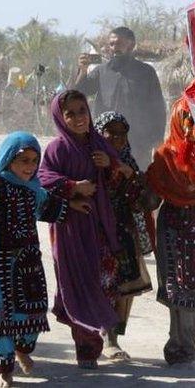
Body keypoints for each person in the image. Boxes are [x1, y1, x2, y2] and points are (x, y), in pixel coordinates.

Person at [0, 131, 89, 386]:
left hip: (29, 263)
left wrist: (73, 206)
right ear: (8, 160)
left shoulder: (34, 188)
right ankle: (4, 368)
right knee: (1, 318)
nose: (30, 166)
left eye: (34, 161)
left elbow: (46, 207)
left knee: (32, 315)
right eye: (23, 160)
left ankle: (22, 349)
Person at [38, 90, 134, 369]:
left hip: (102, 226)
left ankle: (101, 340)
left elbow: (124, 179)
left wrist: (110, 165)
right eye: (70, 113)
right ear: (60, 117)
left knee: (103, 284)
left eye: (82, 111)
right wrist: (73, 189)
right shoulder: (58, 148)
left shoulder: (99, 143)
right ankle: (86, 350)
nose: (79, 118)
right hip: (71, 229)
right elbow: (43, 180)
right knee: (77, 282)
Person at [146, 97, 195, 364]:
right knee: (178, 290)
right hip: (174, 233)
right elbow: (150, 199)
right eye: (187, 121)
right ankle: (179, 345)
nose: (192, 129)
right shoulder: (163, 157)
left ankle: (185, 343)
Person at [94, 111, 154, 357]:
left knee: (125, 287)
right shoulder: (92, 159)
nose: (117, 138)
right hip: (98, 232)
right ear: (99, 134)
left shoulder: (128, 161)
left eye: (122, 133)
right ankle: (102, 337)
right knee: (103, 284)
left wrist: (130, 176)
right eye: (111, 132)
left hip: (124, 232)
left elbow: (142, 199)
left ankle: (113, 338)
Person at [72, 26, 166, 169]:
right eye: (112, 44)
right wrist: (82, 71)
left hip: (137, 141)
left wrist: (158, 139)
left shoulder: (146, 72)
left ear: (131, 45)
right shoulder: (101, 71)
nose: (114, 48)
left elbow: (158, 107)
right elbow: (78, 94)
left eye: (119, 44)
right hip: (105, 140)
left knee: (136, 181)